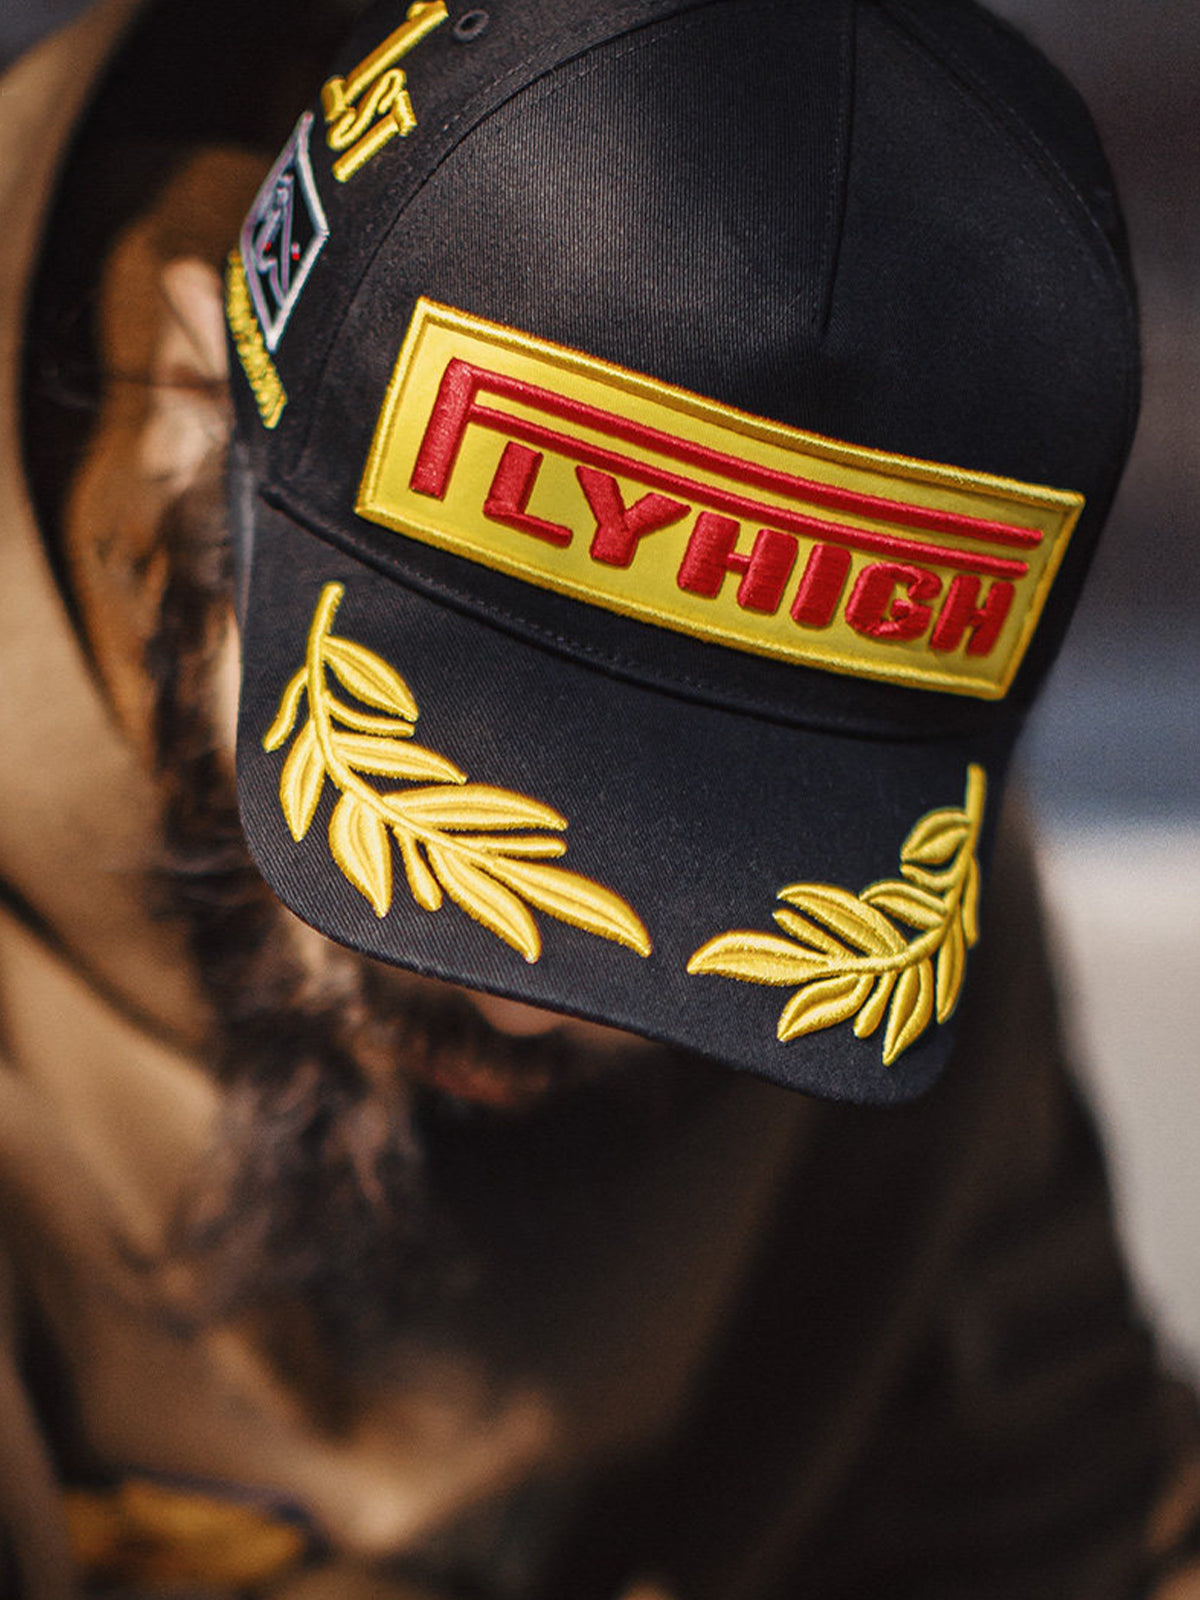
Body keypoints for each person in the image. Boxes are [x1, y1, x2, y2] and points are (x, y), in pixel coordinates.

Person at [2, 0, 1198, 1596]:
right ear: (194, 402)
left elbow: (1056, 1497)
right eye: (473, 765)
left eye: (713, 847)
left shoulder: (876, 901)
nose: (539, 1000)